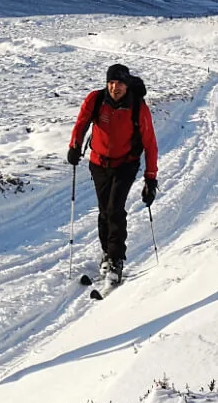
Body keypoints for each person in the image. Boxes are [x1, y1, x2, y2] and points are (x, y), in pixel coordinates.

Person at [67, 63, 158, 285]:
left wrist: (150, 177)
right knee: (104, 211)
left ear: (126, 85)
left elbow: (150, 143)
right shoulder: (96, 100)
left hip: (126, 163)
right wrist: (74, 146)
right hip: (99, 163)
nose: (114, 87)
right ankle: (107, 253)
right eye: (110, 82)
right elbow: (81, 124)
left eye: (118, 83)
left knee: (115, 208)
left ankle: (116, 258)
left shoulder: (138, 107)